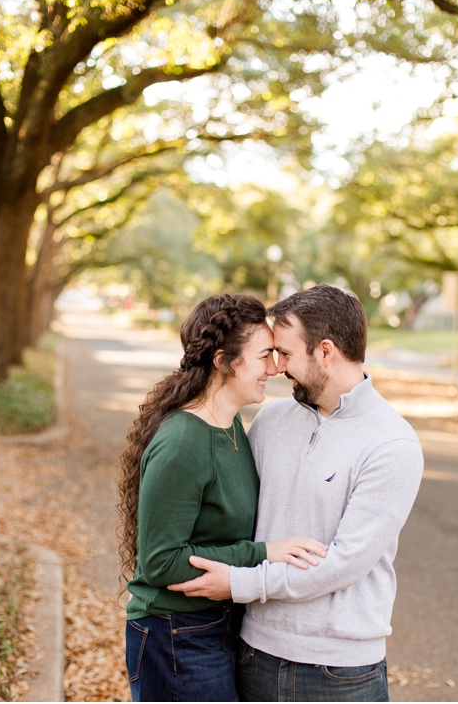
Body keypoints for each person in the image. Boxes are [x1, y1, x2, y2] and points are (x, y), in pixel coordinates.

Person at [168, 285, 424, 702]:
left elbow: (343, 563)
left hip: (340, 673)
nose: (275, 367)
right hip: (253, 651)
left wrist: (238, 583)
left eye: (284, 354)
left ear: (325, 352)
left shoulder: (392, 444)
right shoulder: (271, 419)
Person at [117, 294, 327, 702]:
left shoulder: (233, 429)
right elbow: (160, 562)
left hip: (221, 626)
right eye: (264, 355)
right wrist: (264, 553)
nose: (275, 367)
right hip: (175, 635)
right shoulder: (183, 441)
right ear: (223, 361)